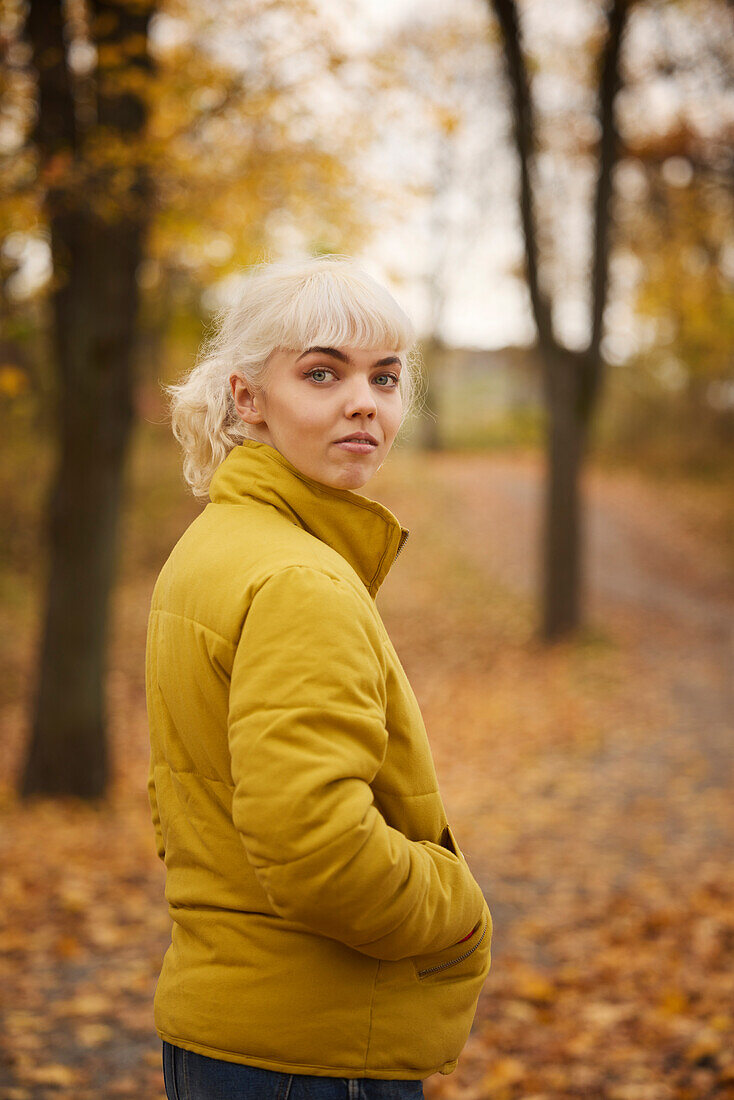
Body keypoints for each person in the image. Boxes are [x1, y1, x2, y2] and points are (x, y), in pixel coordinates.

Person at [145, 255, 492, 1100]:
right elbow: (316, 847)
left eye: (385, 376)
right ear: (247, 398)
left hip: (233, 1033)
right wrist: (457, 910)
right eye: (322, 373)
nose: (363, 401)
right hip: (312, 1054)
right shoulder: (299, 579)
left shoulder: (214, 545)